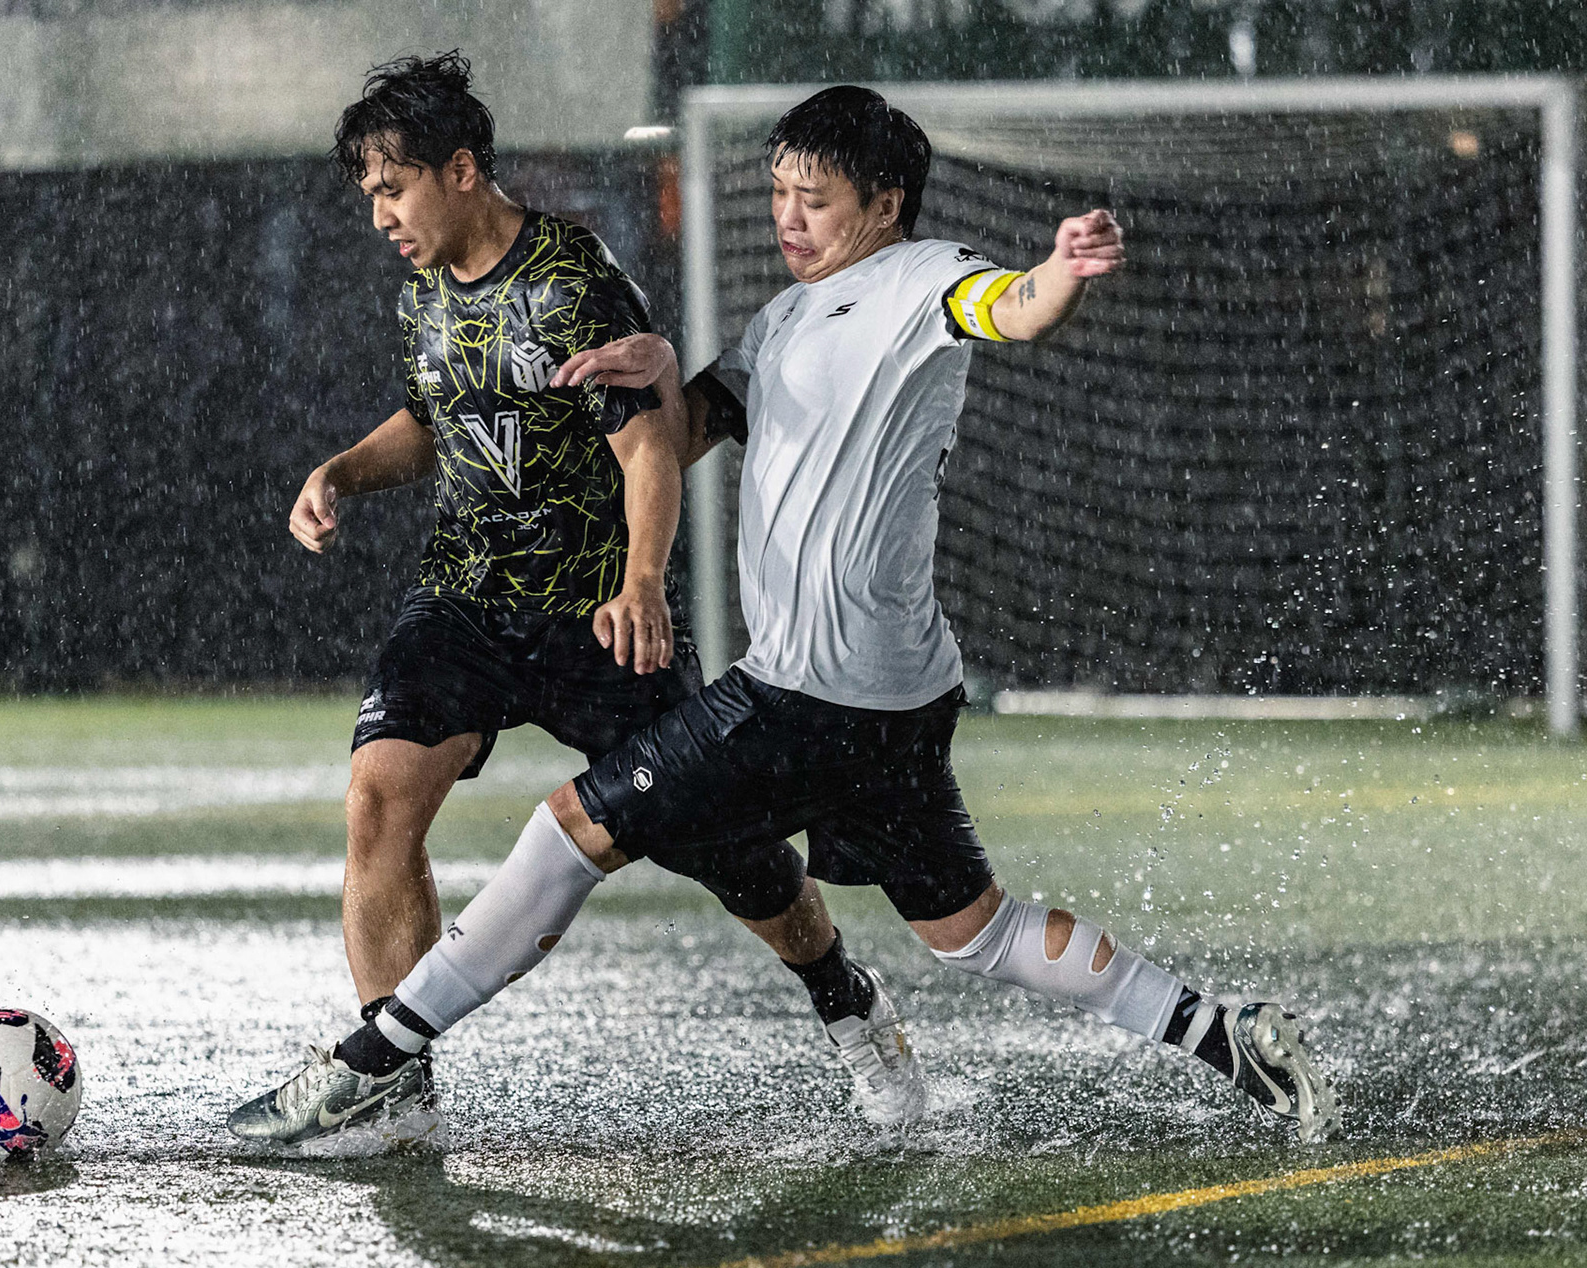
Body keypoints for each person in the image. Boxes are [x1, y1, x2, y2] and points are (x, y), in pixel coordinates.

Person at [256, 84, 1344, 1149]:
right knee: (976, 931)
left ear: (883, 204)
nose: (786, 217)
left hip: (809, 689)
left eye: (812, 198)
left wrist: (1059, 270)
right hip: (895, 694)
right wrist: (658, 378)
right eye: (777, 192)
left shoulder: (926, 278)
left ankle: (369, 1064)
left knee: (569, 829)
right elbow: (676, 440)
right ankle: (1224, 1033)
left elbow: (1010, 307)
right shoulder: (782, 320)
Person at [228, 59, 925, 1153]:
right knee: (379, 796)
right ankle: (391, 1078)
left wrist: (642, 580)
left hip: (595, 613)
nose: (381, 216)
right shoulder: (422, 293)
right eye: (369, 193)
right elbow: (439, 419)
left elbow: (650, 440)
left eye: (394, 188)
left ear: (462, 171)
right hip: (465, 598)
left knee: (728, 848)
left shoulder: (568, 281)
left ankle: (843, 994)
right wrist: (344, 471)